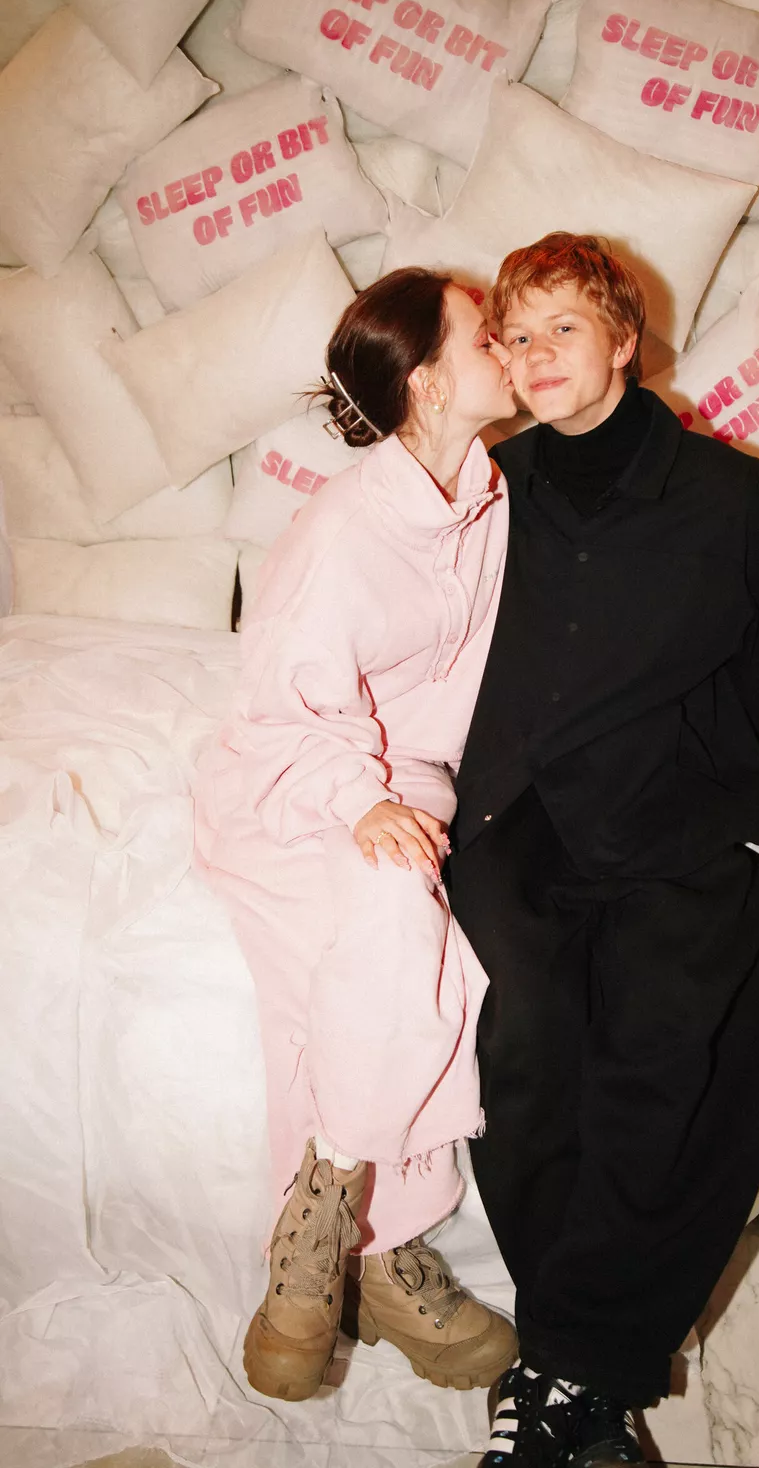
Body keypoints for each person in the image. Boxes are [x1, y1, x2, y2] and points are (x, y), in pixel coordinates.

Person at [445, 233, 759, 1468]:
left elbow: (757, 671)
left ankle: (560, 1372)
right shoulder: (485, 485)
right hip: (517, 816)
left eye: (564, 326)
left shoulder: (733, 492)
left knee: (676, 1029)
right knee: (526, 1034)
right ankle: (589, 1374)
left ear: (623, 339)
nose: (536, 353)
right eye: (516, 334)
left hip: (669, 806)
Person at [195, 268, 519, 1404]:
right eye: (487, 336)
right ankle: (380, 1245)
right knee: (394, 914)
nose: (509, 348)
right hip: (293, 782)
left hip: (407, 784)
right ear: (427, 381)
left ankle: (336, 1227)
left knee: (394, 922)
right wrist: (356, 799)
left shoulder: (493, 501)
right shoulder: (342, 528)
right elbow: (277, 703)